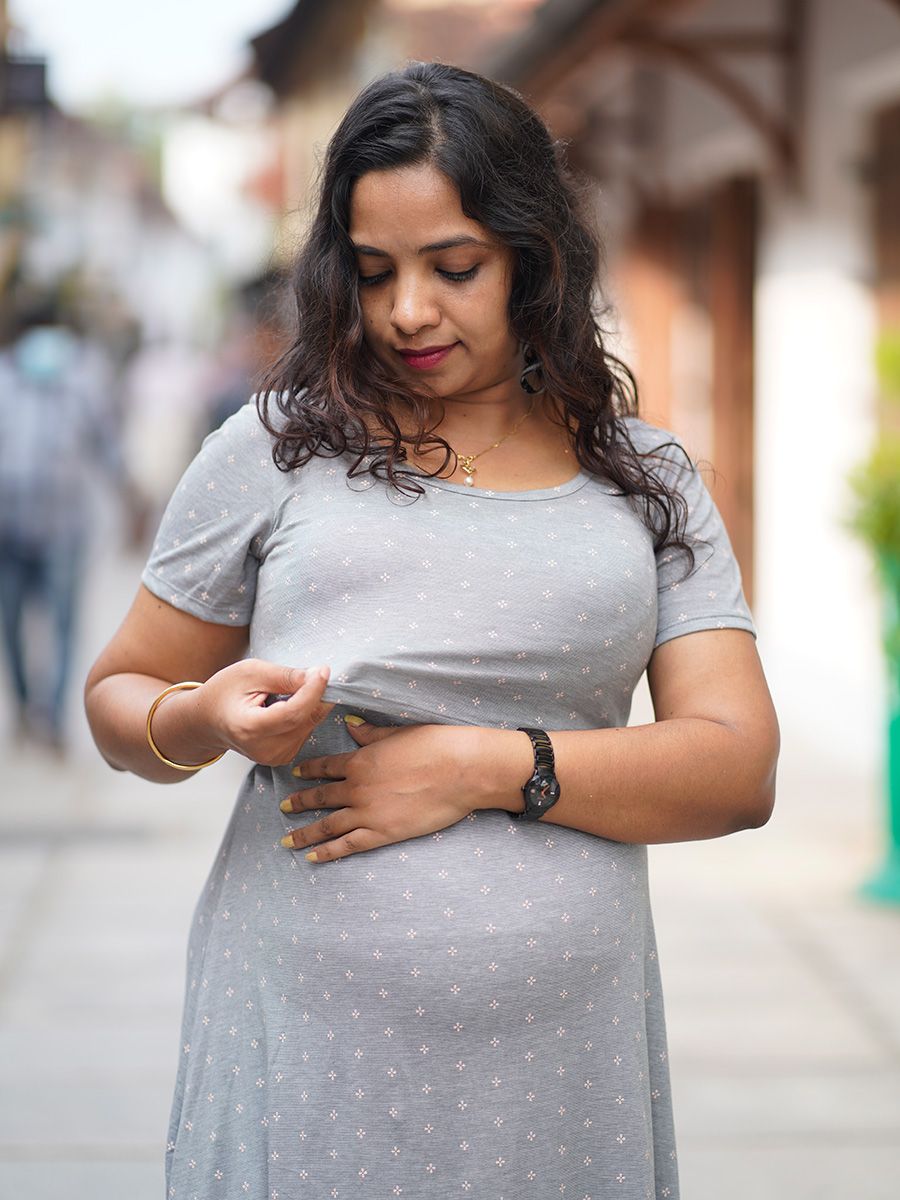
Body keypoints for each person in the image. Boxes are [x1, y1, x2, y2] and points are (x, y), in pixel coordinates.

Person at [84, 62, 779, 1200]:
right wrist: (201, 716)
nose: (408, 309)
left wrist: (485, 766)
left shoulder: (643, 477)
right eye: (373, 273)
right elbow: (119, 703)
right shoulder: (275, 449)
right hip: (307, 1047)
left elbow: (737, 765)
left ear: (533, 256)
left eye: (454, 267)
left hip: (565, 1073)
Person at [0, 301, 125, 751]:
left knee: (62, 624)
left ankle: (51, 716)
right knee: (10, 622)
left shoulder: (83, 380)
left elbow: (108, 444)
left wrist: (129, 494)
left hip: (64, 526)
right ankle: (24, 705)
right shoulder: (4, 380)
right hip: (7, 526)